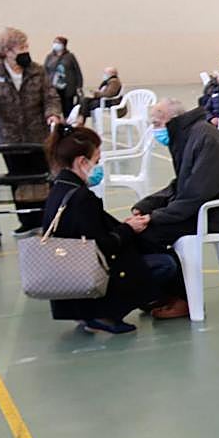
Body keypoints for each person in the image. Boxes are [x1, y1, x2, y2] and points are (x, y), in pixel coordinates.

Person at [40, 124, 181, 334]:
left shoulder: (59, 188)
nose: (98, 167)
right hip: (88, 273)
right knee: (165, 263)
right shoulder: (82, 198)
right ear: (81, 162)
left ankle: (91, 311)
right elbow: (102, 246)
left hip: (68, 273)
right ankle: (105, 312)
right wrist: (128, 229)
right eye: (96, 160)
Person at [130, 97, 219, 320]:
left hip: (214, 214)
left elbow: (196, 194)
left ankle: (183, 299)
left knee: (147, 235)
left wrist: (154, 218)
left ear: (172, 120)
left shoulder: (205, 139)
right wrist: (147, 206)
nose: (154, 130)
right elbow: (180, 184)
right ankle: (161, 294)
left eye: (156, 123)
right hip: (198, 208)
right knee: (140, 230)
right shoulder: (187, 135)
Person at [0, 27, 62, 235]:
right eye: (20, 47)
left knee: (41, 177)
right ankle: (26, 221)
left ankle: (45, 219)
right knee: (18, 179)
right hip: (8, 136)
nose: (25, 50)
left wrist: (53, 114)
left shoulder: (37, 70)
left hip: (37, 135)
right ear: (7, 51)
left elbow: (50, 96)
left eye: (26, 46)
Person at [44, 36, 83, 118]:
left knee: (67, 107)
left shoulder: (70, 56)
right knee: (55, 106)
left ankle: (67, 124)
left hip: (67, 86)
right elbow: (45, 70)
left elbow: (77, 72)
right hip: (53, 85)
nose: (55, 45)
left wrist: (79, 86)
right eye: (55, 42)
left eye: (58, 43)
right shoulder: (50, 57)